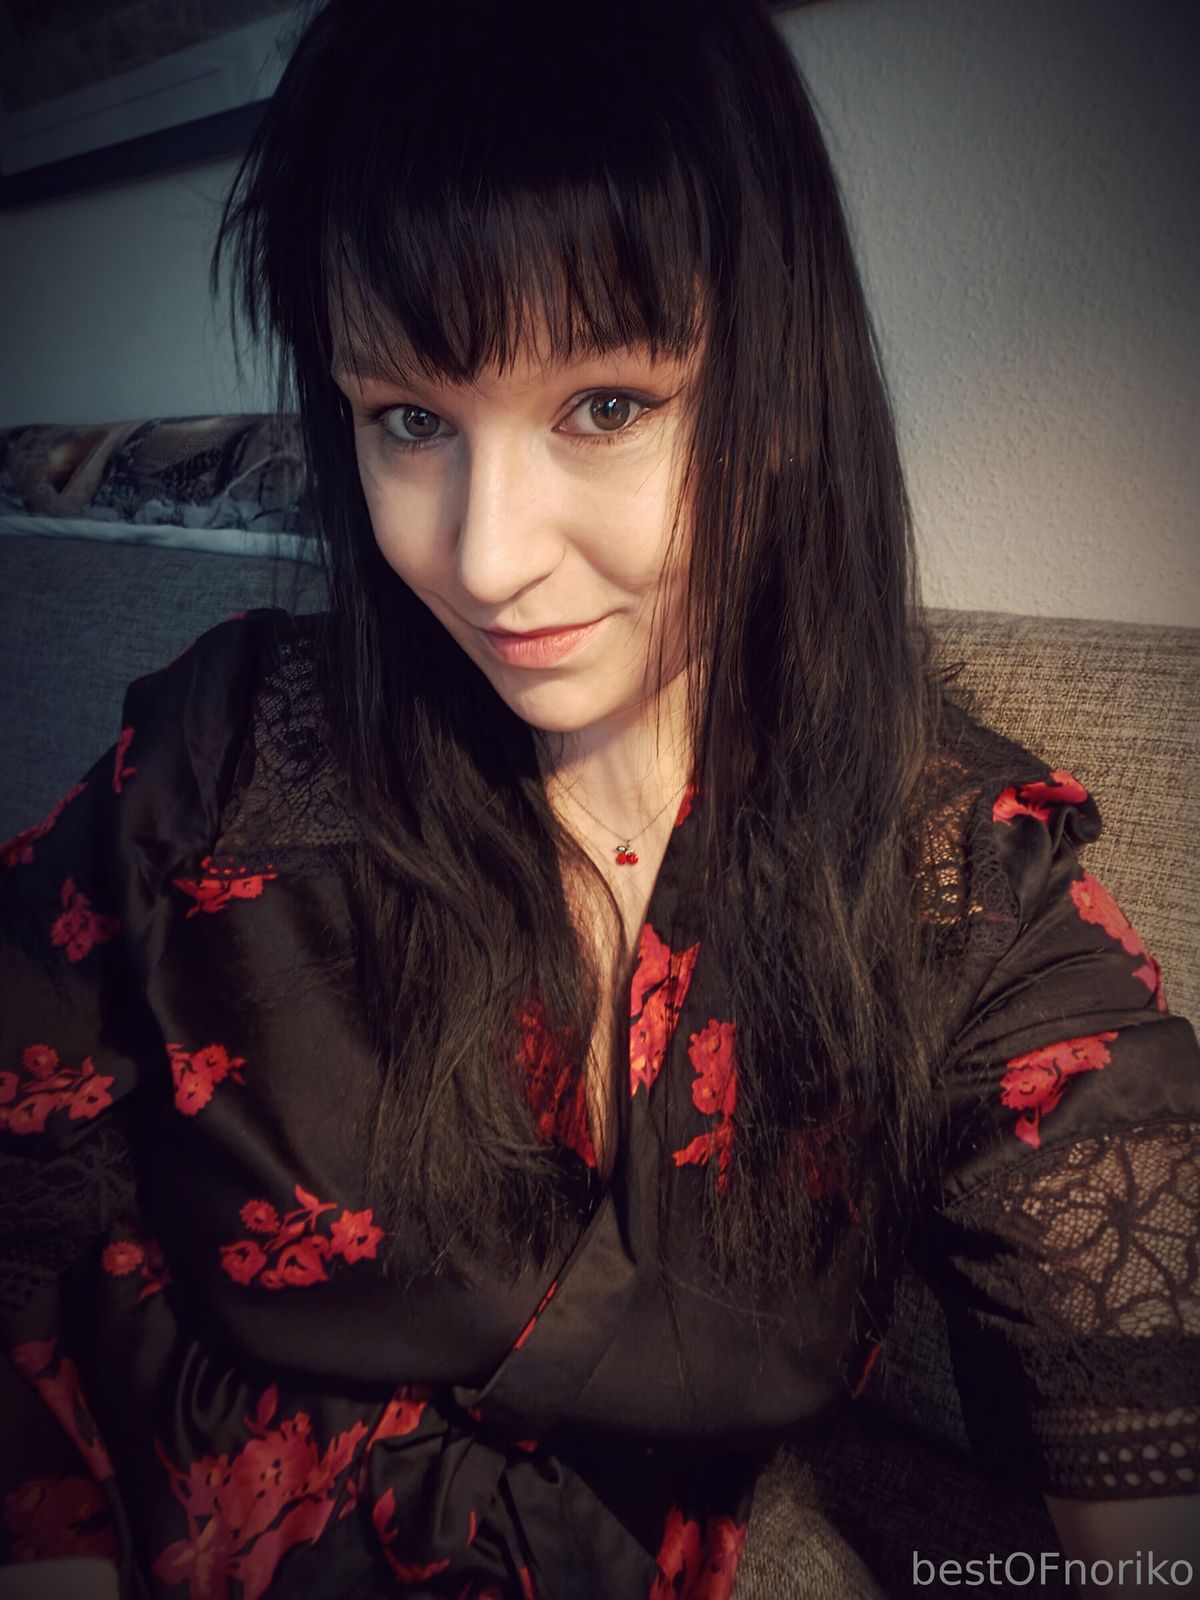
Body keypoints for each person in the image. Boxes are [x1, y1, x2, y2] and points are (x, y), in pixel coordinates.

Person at [1, 0, 1197, 1595]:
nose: (486, 557)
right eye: (411, 421)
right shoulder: (225, 758)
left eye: (608, 407)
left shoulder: (956, 880)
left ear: (779, 397)